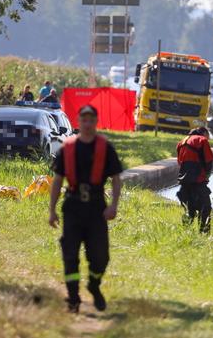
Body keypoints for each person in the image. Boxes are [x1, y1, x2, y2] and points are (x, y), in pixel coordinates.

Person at [48, 105, 123, 313]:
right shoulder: (68, 147)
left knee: (100, 257)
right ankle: (73, 298)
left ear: (96, 122)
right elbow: (57, 180)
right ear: (78, 122)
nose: (88, 124)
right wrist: (52, 210)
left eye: (91, 120)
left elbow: (116, 179)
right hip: (72, 207)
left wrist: (113, 206)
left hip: (97, 208)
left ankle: (94, 284)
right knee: (70, 255)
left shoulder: (105, 147)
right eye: (84, 120)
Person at [176, 126, 213, 233]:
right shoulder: (202, 140)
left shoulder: (181, 142)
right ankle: (204, 234)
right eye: (208, 135)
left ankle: (185, 232)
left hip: (184, 182)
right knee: (206, 208)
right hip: (198, 181)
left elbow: (180, 162)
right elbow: (209, 160)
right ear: (203, 133)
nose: (208, 139)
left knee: (190, 210)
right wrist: (207, 175)